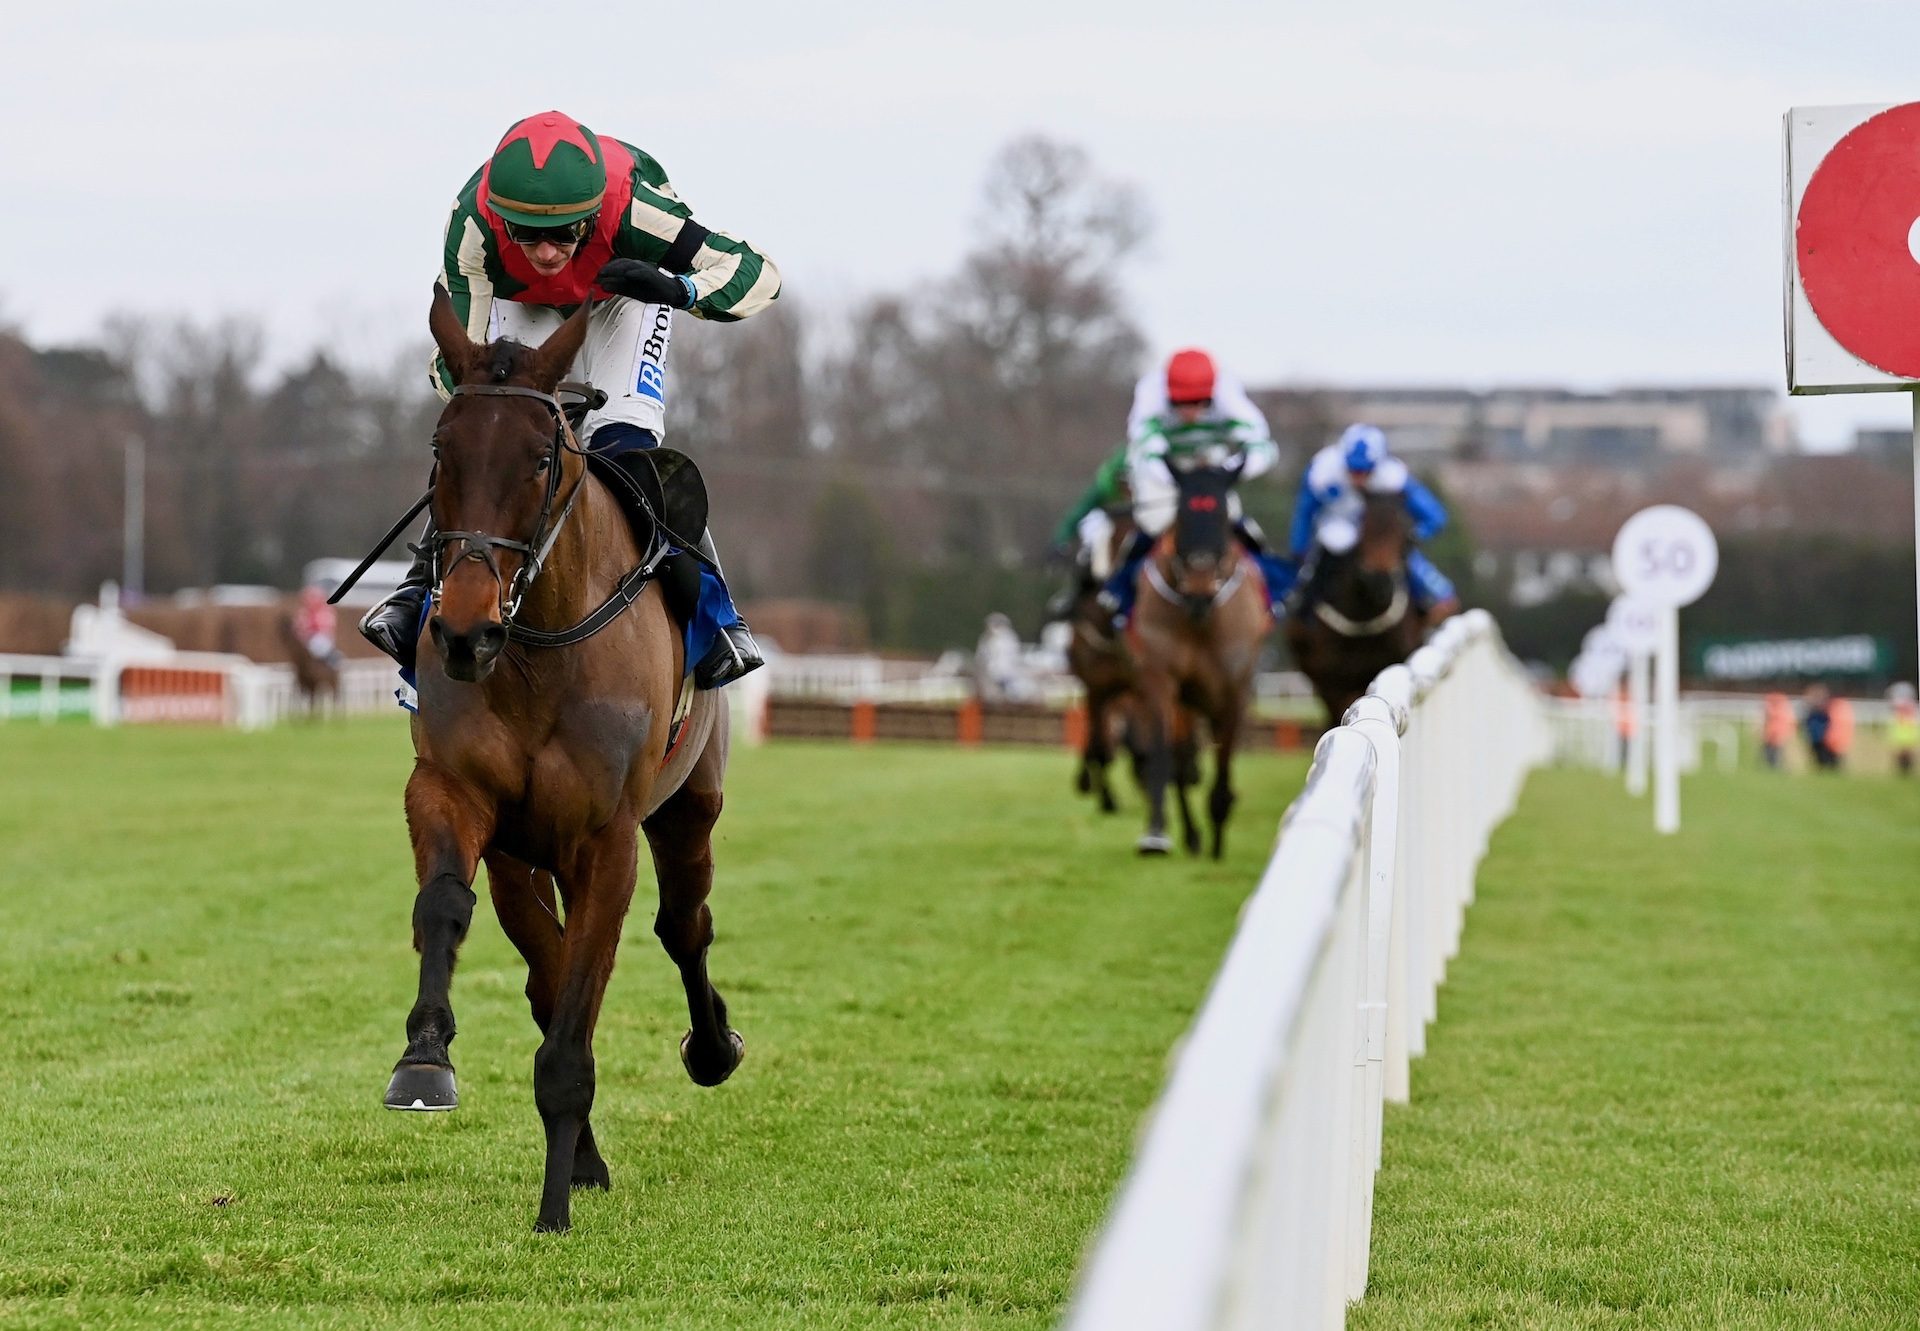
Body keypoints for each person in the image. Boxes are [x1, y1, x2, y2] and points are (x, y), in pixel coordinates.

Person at [359, 110, 780, 689]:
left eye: (563, 233)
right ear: (500, 218)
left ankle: (718, 618)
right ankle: (414, 596)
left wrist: (678, 289)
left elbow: (757, 273)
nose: (548, 251)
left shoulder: (634, 207)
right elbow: (455, 368)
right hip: (519, 308)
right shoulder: (473, 222)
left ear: (591, 217)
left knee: (626, 448)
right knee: (487, 446)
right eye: (527, 234)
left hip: (621, 300)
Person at [1099, 348, 1283, 623]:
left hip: (1208, 466)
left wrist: (1227, 472)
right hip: (1163, 469)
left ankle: (1273, 592)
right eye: (1181, 403)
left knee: (1231, 518)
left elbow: (1263, 447)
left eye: (1200, 403)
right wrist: (1179, 481)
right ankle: (1120, 592)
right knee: (1154, 522)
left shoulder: (1228, 393)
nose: (1191, 411)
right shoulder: (1150, 393)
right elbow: (1147, 449)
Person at [1280, 423, 1459, 623]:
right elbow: (1304, 513)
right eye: (1353, 469)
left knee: (1395, 556)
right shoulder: (1322, 471)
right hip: (1334, 527)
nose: (1358, 478)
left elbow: (1434, 516)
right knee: (1333, 545)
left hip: (1377, 534)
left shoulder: (1393, 478)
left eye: (1365, 471)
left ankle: (1428, 604)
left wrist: (1412, 537)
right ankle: (1303, 608)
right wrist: (1299, 550)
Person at [293, 585, 343, 666]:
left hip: (320, 637)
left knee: (319, 646)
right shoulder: (303, 612)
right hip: (305, 638)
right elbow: (299, 626)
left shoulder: (326, 612)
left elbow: (327, 627)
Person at [1802, 684, 1836, 770]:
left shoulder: (1825, 711)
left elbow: (1830, 723)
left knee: (1827, 758)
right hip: (1814, 737)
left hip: (1824, 738)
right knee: (1818, 758)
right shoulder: (1811, 711)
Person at [1888, 683, 1918, 776]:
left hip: (1907, 734)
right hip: (1902, 734)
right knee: (1902, 753)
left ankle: (1906, 771)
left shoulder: (1909, 707)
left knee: (1906, 753)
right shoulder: (1906, 707)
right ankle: (1903, 771)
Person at [1760, 691, 1793, 769]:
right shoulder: (1770, 708)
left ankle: (1777, 767)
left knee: (1778, 753)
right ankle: (1772, 767)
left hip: (1778, 735)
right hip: (1770, 734)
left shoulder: (1782, 709)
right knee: (1769, 752)